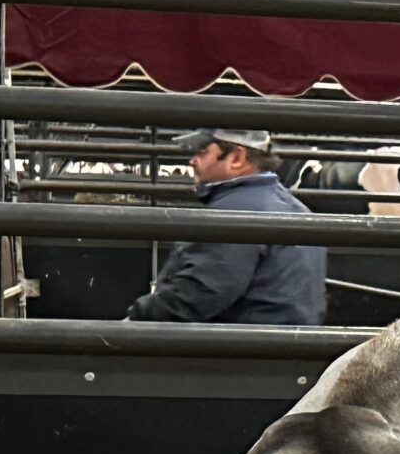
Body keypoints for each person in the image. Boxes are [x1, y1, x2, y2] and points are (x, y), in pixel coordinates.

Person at [122, 126, 326, 324]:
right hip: (281, 346)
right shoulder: (293, 207)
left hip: (238, 348)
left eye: (202, 152)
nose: (193, 161)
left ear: (237, 158)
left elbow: (201, 292)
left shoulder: (234, 211)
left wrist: (138, 318)